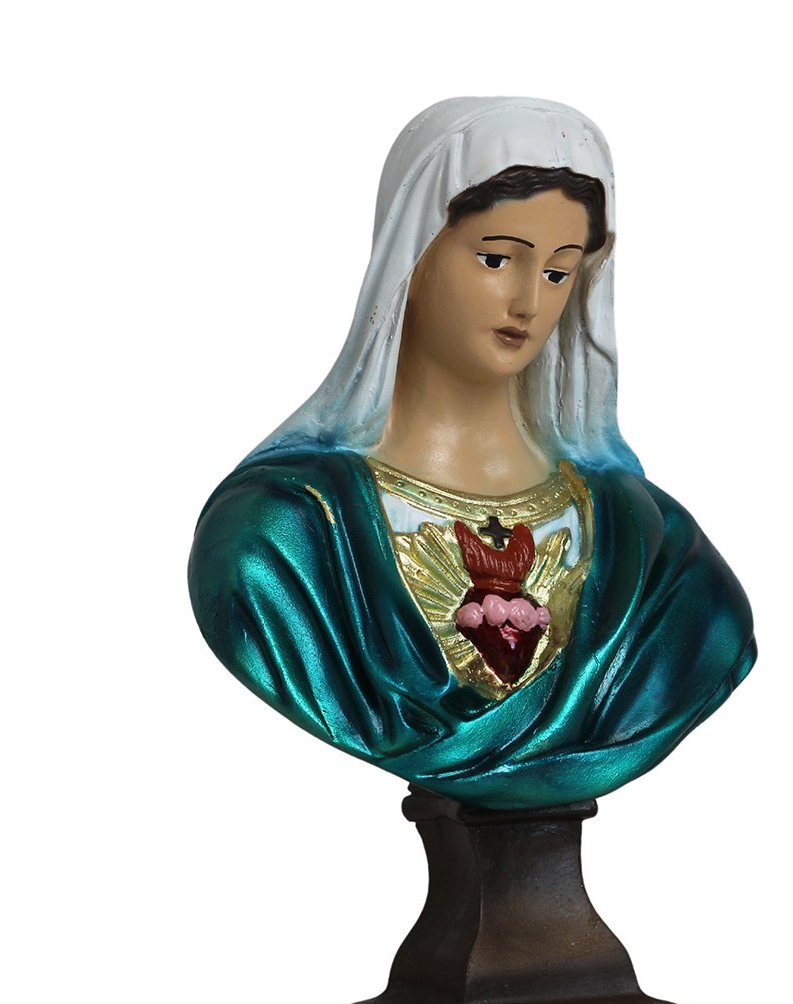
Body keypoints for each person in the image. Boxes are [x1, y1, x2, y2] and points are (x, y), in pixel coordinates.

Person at [188, 97, 756, 810]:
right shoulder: (283, 537)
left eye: (558, 272)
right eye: (496, 259)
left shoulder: (656, 552)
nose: (528, 302)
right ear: (413, 253)